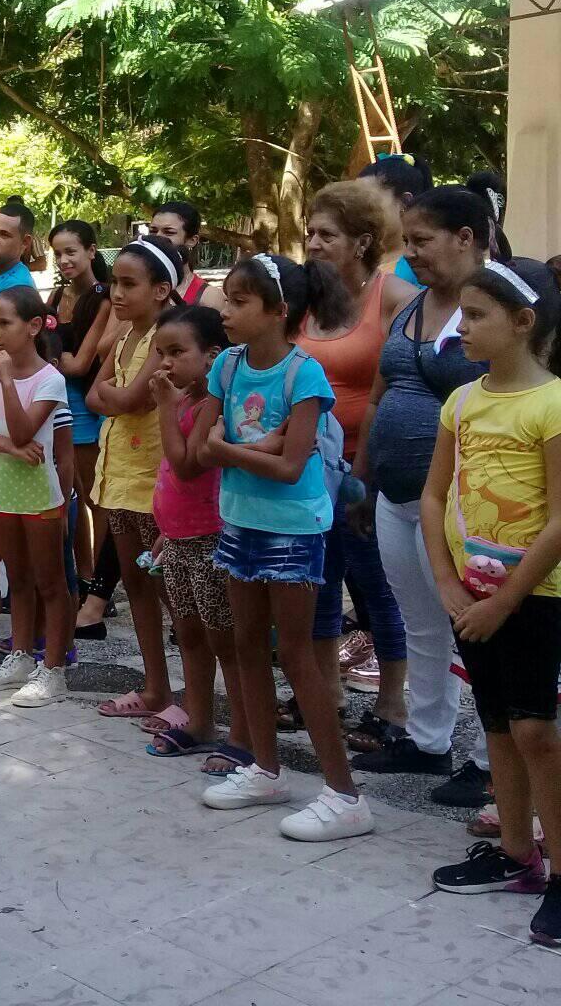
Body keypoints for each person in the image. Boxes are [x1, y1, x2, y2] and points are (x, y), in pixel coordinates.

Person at [195, 254, 374, 841]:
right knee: (247, 642)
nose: (225, 310)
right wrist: (252, 448)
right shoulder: (226, 365)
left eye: (241, 301)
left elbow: (291, 465)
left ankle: (345, 794)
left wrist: (233, 451)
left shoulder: (305, 377)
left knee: (295, 653)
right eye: (227, 297)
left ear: (279, 312)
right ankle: (265, 768)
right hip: (239, 520)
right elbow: (200, 447)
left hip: (294, 528)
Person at [421, 258, 561, 939]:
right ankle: (516, 854)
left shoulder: (553, 404)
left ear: (523, 323)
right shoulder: (461, 401)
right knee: (499, 724)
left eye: (475, 316)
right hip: (470, 598)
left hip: (535, 597)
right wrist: (449, 584)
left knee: (538, 731)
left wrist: (505, 601)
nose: (461, 327)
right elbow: (432, 495)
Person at [351, 187, 493, 807]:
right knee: (421, 624)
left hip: (463, 504)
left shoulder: (493, 309)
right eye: (407, 241)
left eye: (422, 241)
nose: (411, 254)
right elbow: (381, 394)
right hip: (396, 496)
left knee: (474, 628)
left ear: (465, 238)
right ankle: (430, 739)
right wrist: (363, 472)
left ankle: (493, 759)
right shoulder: (411, 309)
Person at [299, 181, 414, 745]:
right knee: (317, 585)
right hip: (305, 472)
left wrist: (366, 473)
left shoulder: (390, 297)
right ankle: (326, 696)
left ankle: (393, 705)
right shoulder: (305, 299)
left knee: (376, 586)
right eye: (311, 233)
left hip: (363, 470)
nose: (315, 243)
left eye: (328, 234)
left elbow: (399, 385)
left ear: (363, 240)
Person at [147, 305, 249, 774]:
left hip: (210, 539)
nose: (165, 363)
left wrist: (166, 408)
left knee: (224, 637)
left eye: (177, 352)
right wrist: (165, 532)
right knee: (188, 631)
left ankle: (244, 732)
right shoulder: (185, 400)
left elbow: (187, 466)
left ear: (211, 355)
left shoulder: (212, 403)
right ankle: (200, 720)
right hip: (179, 538)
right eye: (159, 353)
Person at [89, 236, 185, 719]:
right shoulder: (125, 336)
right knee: (135, 581)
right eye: (114, 284)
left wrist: (114, 391)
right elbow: (93, 396)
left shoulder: (166, 339)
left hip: (155, 480)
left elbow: (128, 401)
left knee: (170, 590)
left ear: (163, 290)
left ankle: (194, 700)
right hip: (120, 476)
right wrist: (114, 391)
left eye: (129, 284)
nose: (117, 295)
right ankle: (155, 688)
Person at [0, 287, 72, 704]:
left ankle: (54, 670)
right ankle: (21, 656)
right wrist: (9, 448)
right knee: (18, 578)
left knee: (50, 582)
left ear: (33, 327)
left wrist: (8, 381)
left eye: (4, 324)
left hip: (39, 492)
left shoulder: (50, 379)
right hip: (1, 486)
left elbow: (25, 428)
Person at [47, 221, 113, 607]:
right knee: (68, 494)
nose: (64, 260)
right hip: (56, 403)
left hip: (85, 404)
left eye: (71, 251)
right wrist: (60, 360)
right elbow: (55, 357)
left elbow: (79, 363)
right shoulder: (56, 296)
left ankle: (101, 582)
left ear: (91, 251)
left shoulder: (102, 297)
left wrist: (60, 359)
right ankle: (84, 573)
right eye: (57, 253)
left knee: (93, 497)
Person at [361, 153, 432, 286]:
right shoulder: (354, 263)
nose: (358, 212)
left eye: (368, 203)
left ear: (405, 202)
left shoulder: (422, 268)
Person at [148, 200, 226, 310]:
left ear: (192, 240)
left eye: (169, 232)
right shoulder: (135, 288)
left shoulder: (208, 297)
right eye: (153, 231)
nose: (157, 238)